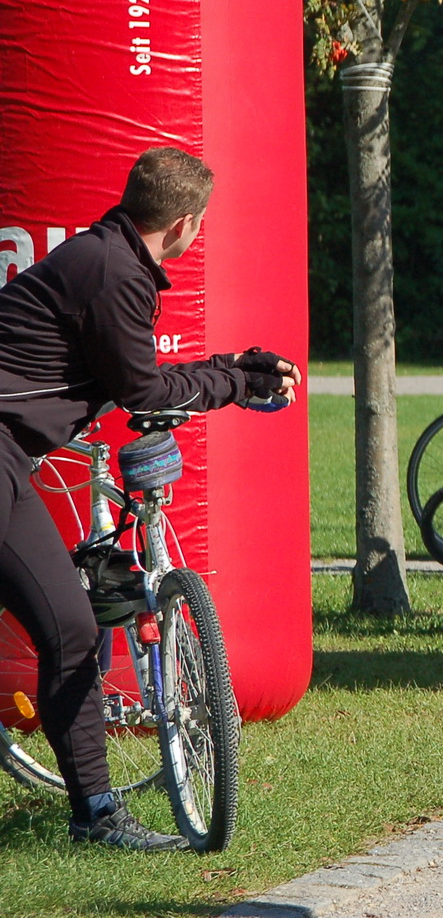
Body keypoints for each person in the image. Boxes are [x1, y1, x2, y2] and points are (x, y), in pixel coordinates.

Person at [0, 147, 299, 850]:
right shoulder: (114, 272)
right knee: (70, 629)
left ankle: (95, 814)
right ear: (188, 222)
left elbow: (130, 373)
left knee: (70, 628)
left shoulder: (108, 256)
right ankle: (98, 815)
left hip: (10, 457)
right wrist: (238, 383)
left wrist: (228, 369)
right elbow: (142, 393)